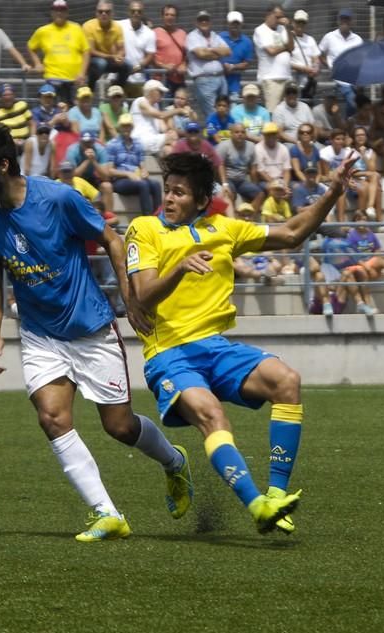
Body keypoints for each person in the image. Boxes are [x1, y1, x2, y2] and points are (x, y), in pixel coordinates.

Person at [0, 123, 194, 541]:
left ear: (3, 165)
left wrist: (131, 299)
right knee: (52, 417)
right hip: (40, 334)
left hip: (91, 329)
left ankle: (175, 462)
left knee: (119, 427)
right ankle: (107, 513)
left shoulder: (58, 198)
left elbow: (112, 240)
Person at [124, 150, 356, 534]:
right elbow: (143, 295)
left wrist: (332, 192)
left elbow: (293, 233)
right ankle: (256, 506)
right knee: (213, 416)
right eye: (167, 190)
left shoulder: (224, 228)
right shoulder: (145, 229)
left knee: (287, 381)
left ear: (201, 200)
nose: (169, 199)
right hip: (169, 354)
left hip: (215, 348)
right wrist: (180, 267)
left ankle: (276, 496)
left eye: (180, 193)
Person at [27, 0, 90, 105]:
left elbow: (86, 51)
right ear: (51, 12)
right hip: (53, 78)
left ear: (67, 13)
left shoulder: (76, 28)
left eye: (62, 10)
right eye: (56, 10)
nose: (59, 13)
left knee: (73, 111)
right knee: (53, 110)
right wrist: (37, 63)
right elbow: (30, 47)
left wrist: (82, 73)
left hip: (74, 79)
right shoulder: (43, 31)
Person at [106, 113, 161, 215]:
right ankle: (147, 218)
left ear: (132, 127)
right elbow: (110, 171)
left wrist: (144, 172)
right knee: (143, 184)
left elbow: (142, 165)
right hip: (120, 181)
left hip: (136, 178)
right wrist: (128, 174)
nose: (126, 128)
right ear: (120, 127)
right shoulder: (112, 144)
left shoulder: (138, 144)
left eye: (128, 126)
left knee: (156, 184)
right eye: (124, 126)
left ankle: (158, 216)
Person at [185, 10, 231, 119]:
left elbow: (228, 51)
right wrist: (218, 53)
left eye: (206, 19)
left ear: (210, 22)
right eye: (201, 20)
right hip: (204, 80)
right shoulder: (192, 36)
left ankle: (223, 136)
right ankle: (214, 135)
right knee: (212, 114)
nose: (204, 22)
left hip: (221, 78)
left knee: (224, 112)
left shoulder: (215, 35)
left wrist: (209, 50)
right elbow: (201, 54)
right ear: (196, 22)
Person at [318, 9, 363, 118]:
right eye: (342, 18)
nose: (344, 21)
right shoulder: (329, 37)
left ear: (351, 21)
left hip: (354, 79)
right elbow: (318, 53)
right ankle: (347, 126)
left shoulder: (358, 39)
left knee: (363, 104)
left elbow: (361, 60)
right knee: (352, 102)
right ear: (338, 20)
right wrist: (329, 65)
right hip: (337, 79)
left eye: (347, 19)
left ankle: (349, 126)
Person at [252, 4, 294, 113]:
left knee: (287, 112)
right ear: (268, 15)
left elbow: (292, 47)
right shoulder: (260, 30)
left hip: (286, 77)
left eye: (282, 17)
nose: (280, 20)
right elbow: (271, 51)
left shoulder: (282, 29)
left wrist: (288, 28)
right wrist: (286, 47)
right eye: (277, 17)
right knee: (273, 111)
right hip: (271, 78)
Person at [83, 1, 130, 92]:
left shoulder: (117, 27)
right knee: (101, 63)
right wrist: (112, 56)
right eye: (100, 11)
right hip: (92, 61)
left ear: (112, 13)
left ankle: (116, 91)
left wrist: (119, 56)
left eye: (107, 11)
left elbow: (122, 49)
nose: (103, 14)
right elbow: (91, 51)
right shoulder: (88, 26)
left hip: (109, 59)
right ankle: (89, 89)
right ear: (96, 13)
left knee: (128, 65)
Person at [216, 123, 264, 212]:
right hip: (228, 178)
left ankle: (247, 215)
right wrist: (224, 184)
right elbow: (219, 165)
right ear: (231, 134)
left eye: (242, 132)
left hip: (242, 180)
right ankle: (233, 217)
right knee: (230, 194)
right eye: (237, 132)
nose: (240, 134)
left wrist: (255, 184)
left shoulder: (251, 146)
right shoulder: (223, 146)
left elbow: (253, 167)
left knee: (260, 193)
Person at [130, 79, 183, 155]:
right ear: (151, 91)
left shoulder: (156, 106)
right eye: (160, 92)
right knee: (172, 137)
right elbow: (161, 115)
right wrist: (179, 110)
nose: (162, 95)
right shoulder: (140, 101)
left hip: (152, 140)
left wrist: (170, 130)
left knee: (169, 149)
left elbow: (163, 128)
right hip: (140, 140)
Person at [118, 1, 156, 97]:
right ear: (128, 12)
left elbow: (150, 55)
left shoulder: (149, 33)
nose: (136, 13)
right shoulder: (119, 26)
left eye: (139, 11)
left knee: (138, 110)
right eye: (133, 11)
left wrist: (137, 67)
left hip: (138, 79)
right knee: (118, 111)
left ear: (143, 13)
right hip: (118, 77)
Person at [219, 11, 254, 102]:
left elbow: (246, 63)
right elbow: (214, 56)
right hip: (217, 82)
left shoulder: (247, 42)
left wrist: (232, 67)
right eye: (232, 23)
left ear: (241, 24)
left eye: (237, 23)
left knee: (233, 111)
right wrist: (223, 65)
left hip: (234, 85)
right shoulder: (220, 37)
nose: (235, 26)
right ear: (228, 24)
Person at [153, 4, 187, 95]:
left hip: (179, 80)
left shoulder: (182, 33)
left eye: (172, 15)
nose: (169, 17)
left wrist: (184, 64)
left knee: (180, 108)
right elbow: (150, 57)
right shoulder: (155, 33)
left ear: (176, 17)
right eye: (167, 14)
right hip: (162, 80)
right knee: (164, 108)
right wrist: (163, 66)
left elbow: (187, 55)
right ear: (162, 16)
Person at [0, 84, 32, 152]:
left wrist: (32, 138)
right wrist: (12, 141)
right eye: (5, 95)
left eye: (10, 94)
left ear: (14, 95)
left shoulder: (22, 105)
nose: (8, 97)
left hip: (26, 142)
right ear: (0, 97)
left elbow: (32, 123)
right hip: (8, 144)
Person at [290, 10, 320, 102]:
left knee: (307, 107)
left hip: (307, 81)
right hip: (292, 80)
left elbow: (316, 58)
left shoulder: (310, 39)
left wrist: (315, 68)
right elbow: (285, 60)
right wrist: (303, 68)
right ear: (293, 23)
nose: (300, 25)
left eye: (303, 23)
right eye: (298, 22)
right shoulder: (288, 37)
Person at [254, 122, 291, 191]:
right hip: (265, 181)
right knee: (273, 189)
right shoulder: (258, 148)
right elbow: (261, 172)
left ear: (277, 135)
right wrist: (276, 184)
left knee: (294, 188)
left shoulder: (284, 148)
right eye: (268, 134)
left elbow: (287, 170)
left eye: (273, 134)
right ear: (264, 135)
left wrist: (285, 185)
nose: (271, 136)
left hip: (281, 179)